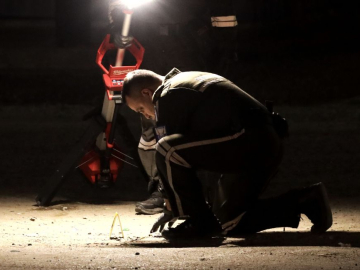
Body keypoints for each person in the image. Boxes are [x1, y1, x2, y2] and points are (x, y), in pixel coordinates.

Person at [121, 68, 333, 239]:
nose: (147, 116)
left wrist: (174, 204)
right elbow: (197, 152)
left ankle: (199, 224)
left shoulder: (167, 95)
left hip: (248, 140)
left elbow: (171, 155)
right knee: (228, 222)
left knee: (167, 149)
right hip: (262, 142)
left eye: (141, 110)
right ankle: (306, 200)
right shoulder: (185, 80)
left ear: (147, 93)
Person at [107, 0, 240, 215]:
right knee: (150, 120)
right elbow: (116, 6)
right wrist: (117, 26)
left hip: (192, 43)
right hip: (151, 43)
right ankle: (162, 189)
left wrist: (225, 48)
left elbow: (223, 8)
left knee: (191, 119)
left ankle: (199, 191)